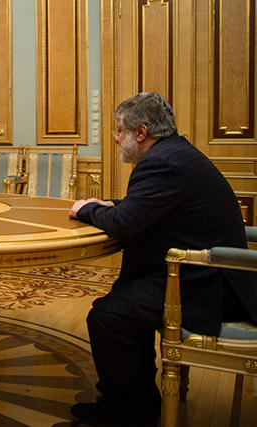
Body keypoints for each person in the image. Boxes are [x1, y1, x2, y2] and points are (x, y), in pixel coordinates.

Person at [68, 92, 257, 426]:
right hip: (203, 272)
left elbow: (125, 225)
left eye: (120, 130)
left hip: (207, 286)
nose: (116, 138)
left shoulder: (162, 163)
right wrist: (113, 205)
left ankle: (126, 412)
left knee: (107, 317)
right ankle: (140, 401)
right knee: (124, 304)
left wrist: (86, 209)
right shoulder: (174, 153)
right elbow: (144, 208)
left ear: (141, 132)